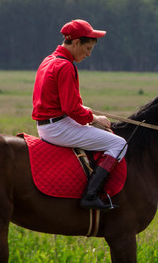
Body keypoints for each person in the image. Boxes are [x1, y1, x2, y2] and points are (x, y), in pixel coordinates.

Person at [32, 19, 127, 211]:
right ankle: (90, 195)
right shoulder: (66, 66)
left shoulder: (49, 60)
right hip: (58, 127)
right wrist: (94, 119)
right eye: (88, 48)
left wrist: (87, 114)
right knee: (119, 144)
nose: (89, 54)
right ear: (75, 43)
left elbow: (65, 105)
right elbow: (72, 108)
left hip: (48, 124)